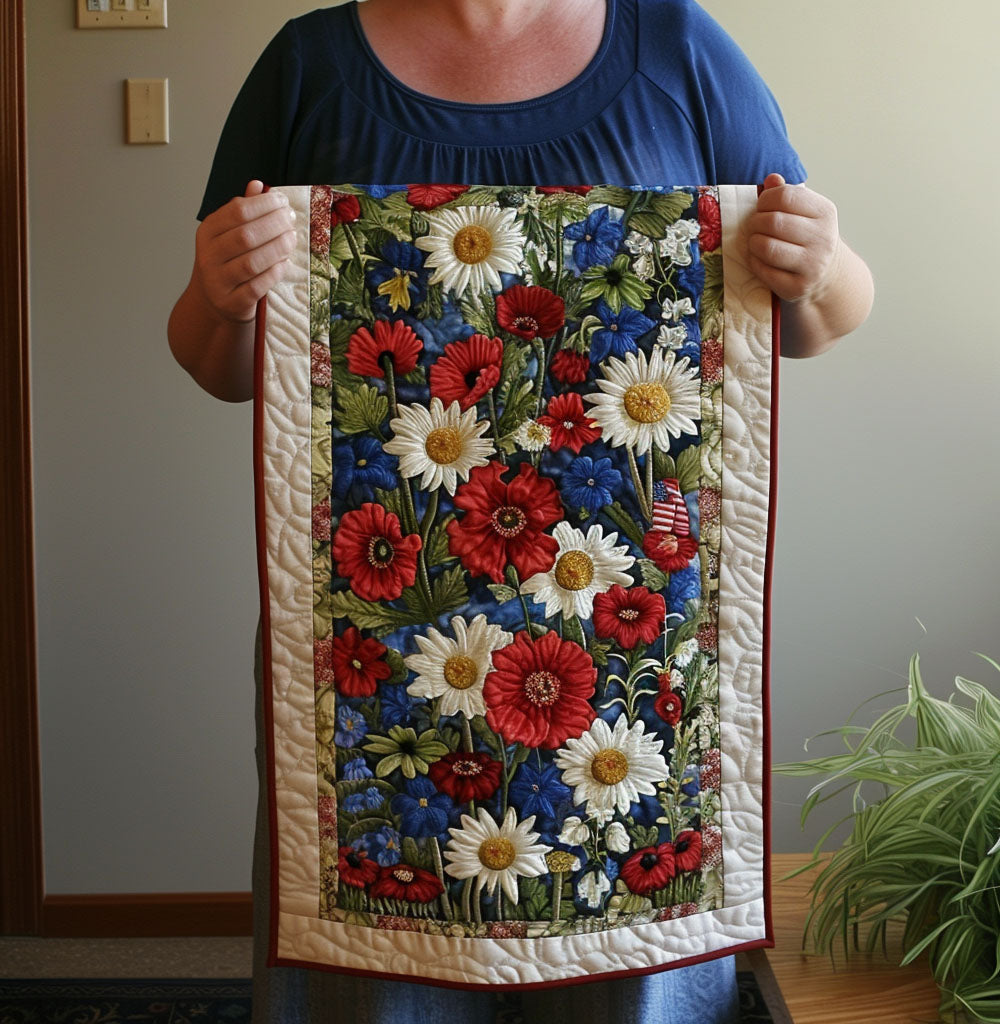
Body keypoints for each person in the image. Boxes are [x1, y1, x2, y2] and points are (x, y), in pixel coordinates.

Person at [168, 1, 873, 1021]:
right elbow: (218, 363)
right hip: (383, 673)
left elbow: (814, 320)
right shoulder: (308, 66)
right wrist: (220, 292)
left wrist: (824, 265)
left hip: (629, 683)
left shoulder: (678, 51)